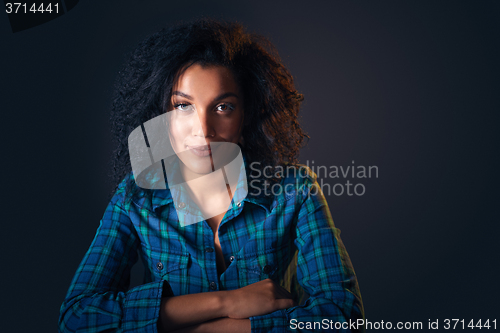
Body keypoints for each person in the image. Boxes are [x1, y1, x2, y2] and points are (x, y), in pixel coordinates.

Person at [58, 19, 364, 332]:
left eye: (223, 107)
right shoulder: (135, 199)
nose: (203, 131)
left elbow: (344, 316)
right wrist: (227, 302)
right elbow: (77, 317)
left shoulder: (294, 190)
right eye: (183, 106)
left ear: (246, 114)